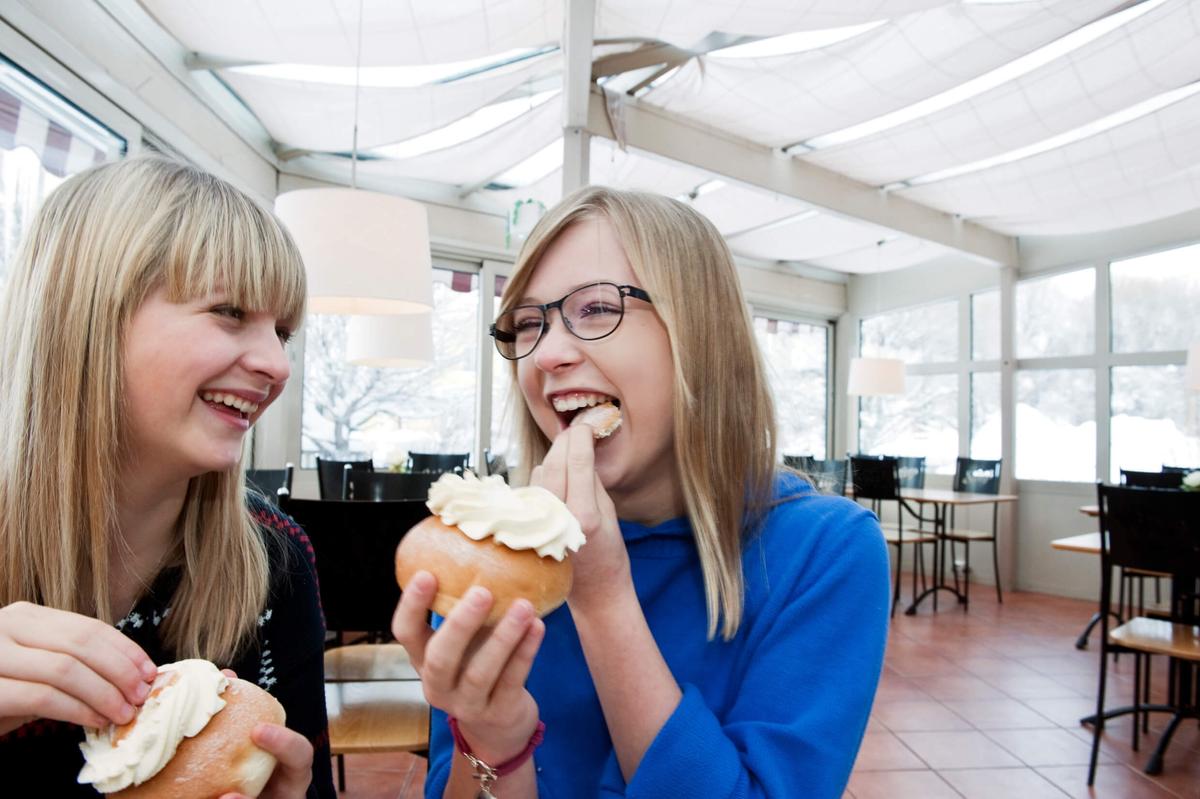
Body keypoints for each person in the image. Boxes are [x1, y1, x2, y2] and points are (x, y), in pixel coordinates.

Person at [393, 186, 890, 797]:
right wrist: (495, 740)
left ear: (702, 335)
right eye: (527, 323)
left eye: (598, 308)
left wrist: (602, 599)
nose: (545, 353)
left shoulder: (825, 550)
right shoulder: (492, 559)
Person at [0, 156, 335, 798]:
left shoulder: (275, 556)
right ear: (90, 316)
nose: (276, 364)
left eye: (283, 332)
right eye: (230, 311)